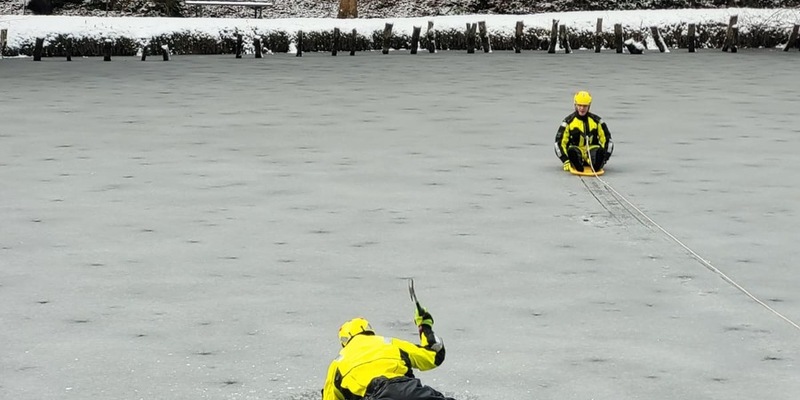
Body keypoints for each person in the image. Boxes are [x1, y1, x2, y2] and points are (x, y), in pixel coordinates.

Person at [322, 308, 455, 400]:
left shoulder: (337, 364)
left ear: (343, 341)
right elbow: (434, 354)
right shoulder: (390, 343)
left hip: (376, 395)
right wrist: (424, 326)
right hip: (410, 391)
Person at [554, 90, 614, 172]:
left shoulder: (597, 121)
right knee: (572, 151)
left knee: (598, 153)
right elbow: (559, 142)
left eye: (585, 106)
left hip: (592, 149)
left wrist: (605, 156)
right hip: (576, 149)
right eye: (579, 105)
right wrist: (565, 160)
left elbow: (607, 140)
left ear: (589, 106)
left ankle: (597, 163)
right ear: (575, 105)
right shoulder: (568, 122)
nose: (582, 108)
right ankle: (576, 162)